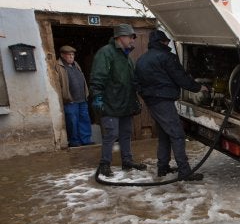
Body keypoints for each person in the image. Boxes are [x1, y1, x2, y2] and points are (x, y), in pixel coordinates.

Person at [134, 29, 207, 181]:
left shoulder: (142, 59)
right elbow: (180, 78)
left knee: (164, 135)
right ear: (163, 42)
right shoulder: (167, 57)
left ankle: (163, 167)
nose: (168, 43)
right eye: (166, 41)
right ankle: (184, 172)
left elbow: (136, 82)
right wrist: (198, 87)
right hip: (163, 101)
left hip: (152, 101)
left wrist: (146, 95)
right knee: (177, 134)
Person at [90, 24, 147, 177]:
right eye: (130, 37)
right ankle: (104, 164)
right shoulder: (106, 53)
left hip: (125, 103)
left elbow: (130, 81)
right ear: (120, 37)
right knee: (111, 133)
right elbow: (98, 77)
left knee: (126, 133)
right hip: (110, 102)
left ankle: (127, 161)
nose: (133, 41)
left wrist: (135, 98)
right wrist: (98, 97)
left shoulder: (126, 57)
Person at [55, 45, 93, 147]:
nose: (72, 57)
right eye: (69, 55)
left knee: (84, 119)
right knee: (72, 121)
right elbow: (57, 84)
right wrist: (64, 97)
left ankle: (86, 140)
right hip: (70, 100)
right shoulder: (58, 66)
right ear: (62, 55)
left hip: (82, 99)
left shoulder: (76, 65)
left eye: (73, 55)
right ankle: (74, 141)